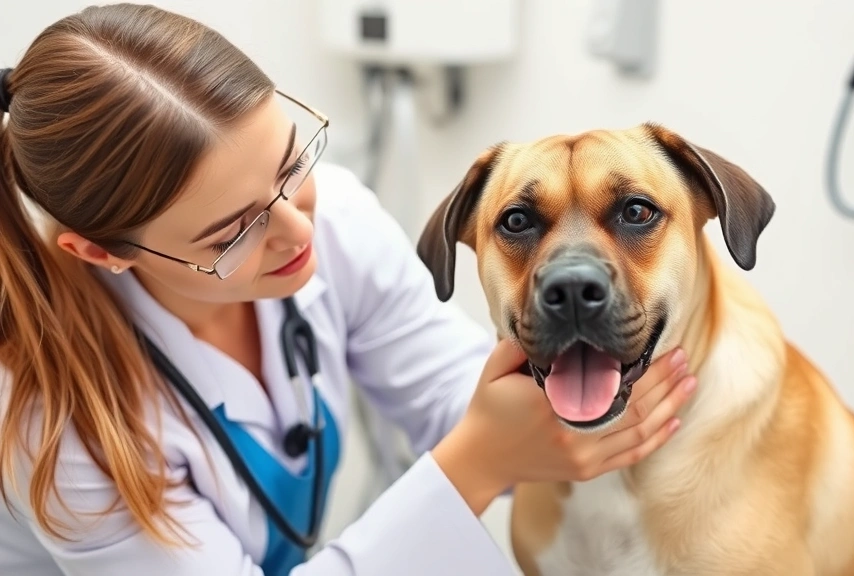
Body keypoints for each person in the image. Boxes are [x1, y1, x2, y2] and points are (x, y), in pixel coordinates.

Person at [0, 4, 698, 576]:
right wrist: (478, 463)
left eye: (288, 162)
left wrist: (568, 402)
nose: (296, 227)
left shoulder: (332, 220)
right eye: (231, 233)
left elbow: (454, 390)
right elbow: (484, 440)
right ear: (102, 252)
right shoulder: (52, 425)